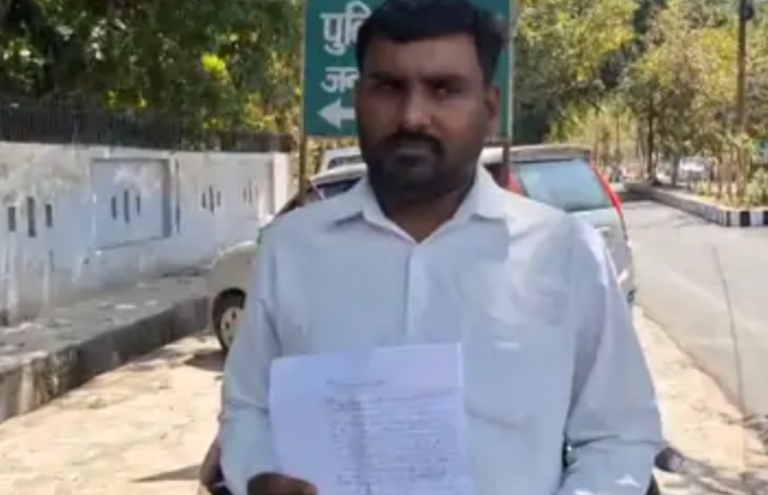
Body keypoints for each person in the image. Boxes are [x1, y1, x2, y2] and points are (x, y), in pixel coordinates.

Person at [218, 0, 664, 494]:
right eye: (389, 87)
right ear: (358, 99)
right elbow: (247, 408)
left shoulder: (565, 255)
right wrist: (257, 474)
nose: (412, 116)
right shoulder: (291, 251)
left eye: (444, 90)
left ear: (489, 108)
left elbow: (619, 436)